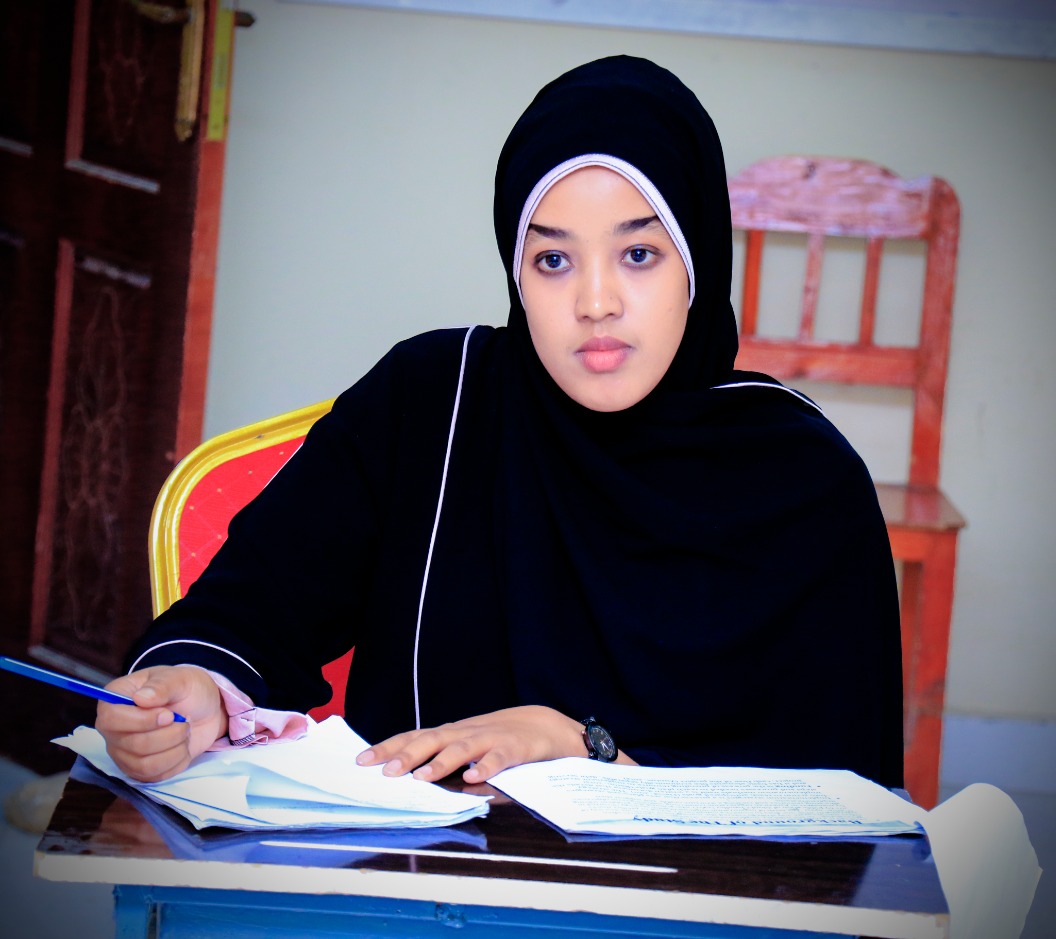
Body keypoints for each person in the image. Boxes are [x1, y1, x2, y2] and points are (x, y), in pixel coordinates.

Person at [96, 55, 903, 790]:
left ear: (698, 259)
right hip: (414, 895)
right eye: (553, 259)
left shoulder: (801, 480)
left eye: (638, 254)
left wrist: (580, 747)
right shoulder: (432, 402)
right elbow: (254, 607)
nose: (595, 303)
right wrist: (191, 682)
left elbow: (837, 822)